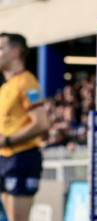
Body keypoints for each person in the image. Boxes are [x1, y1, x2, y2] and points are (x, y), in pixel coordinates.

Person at [0, 33, 49, 221]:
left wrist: (9, 139)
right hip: (5, 158)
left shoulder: (27, 82)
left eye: (1, 48)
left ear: (15, 52)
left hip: (21, 158)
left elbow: (42, 123)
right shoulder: (5, 87)